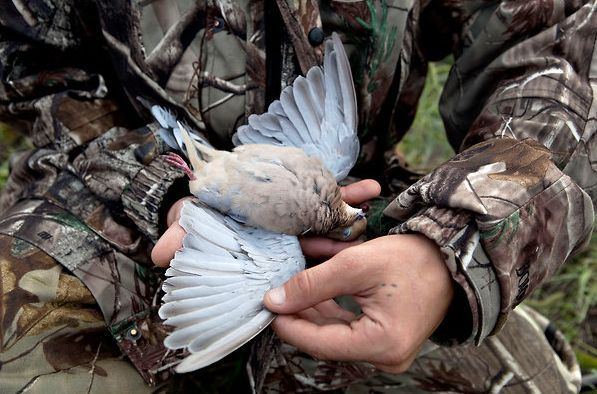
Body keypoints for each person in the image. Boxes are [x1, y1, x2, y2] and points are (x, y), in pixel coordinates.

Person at [0, 0, 593, 392]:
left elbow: (560, 48)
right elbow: (32, 70)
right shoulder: (302, 211)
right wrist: (161, 186)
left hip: (350, 233)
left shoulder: (333, 163)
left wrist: (451, 249)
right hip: (93, 204)